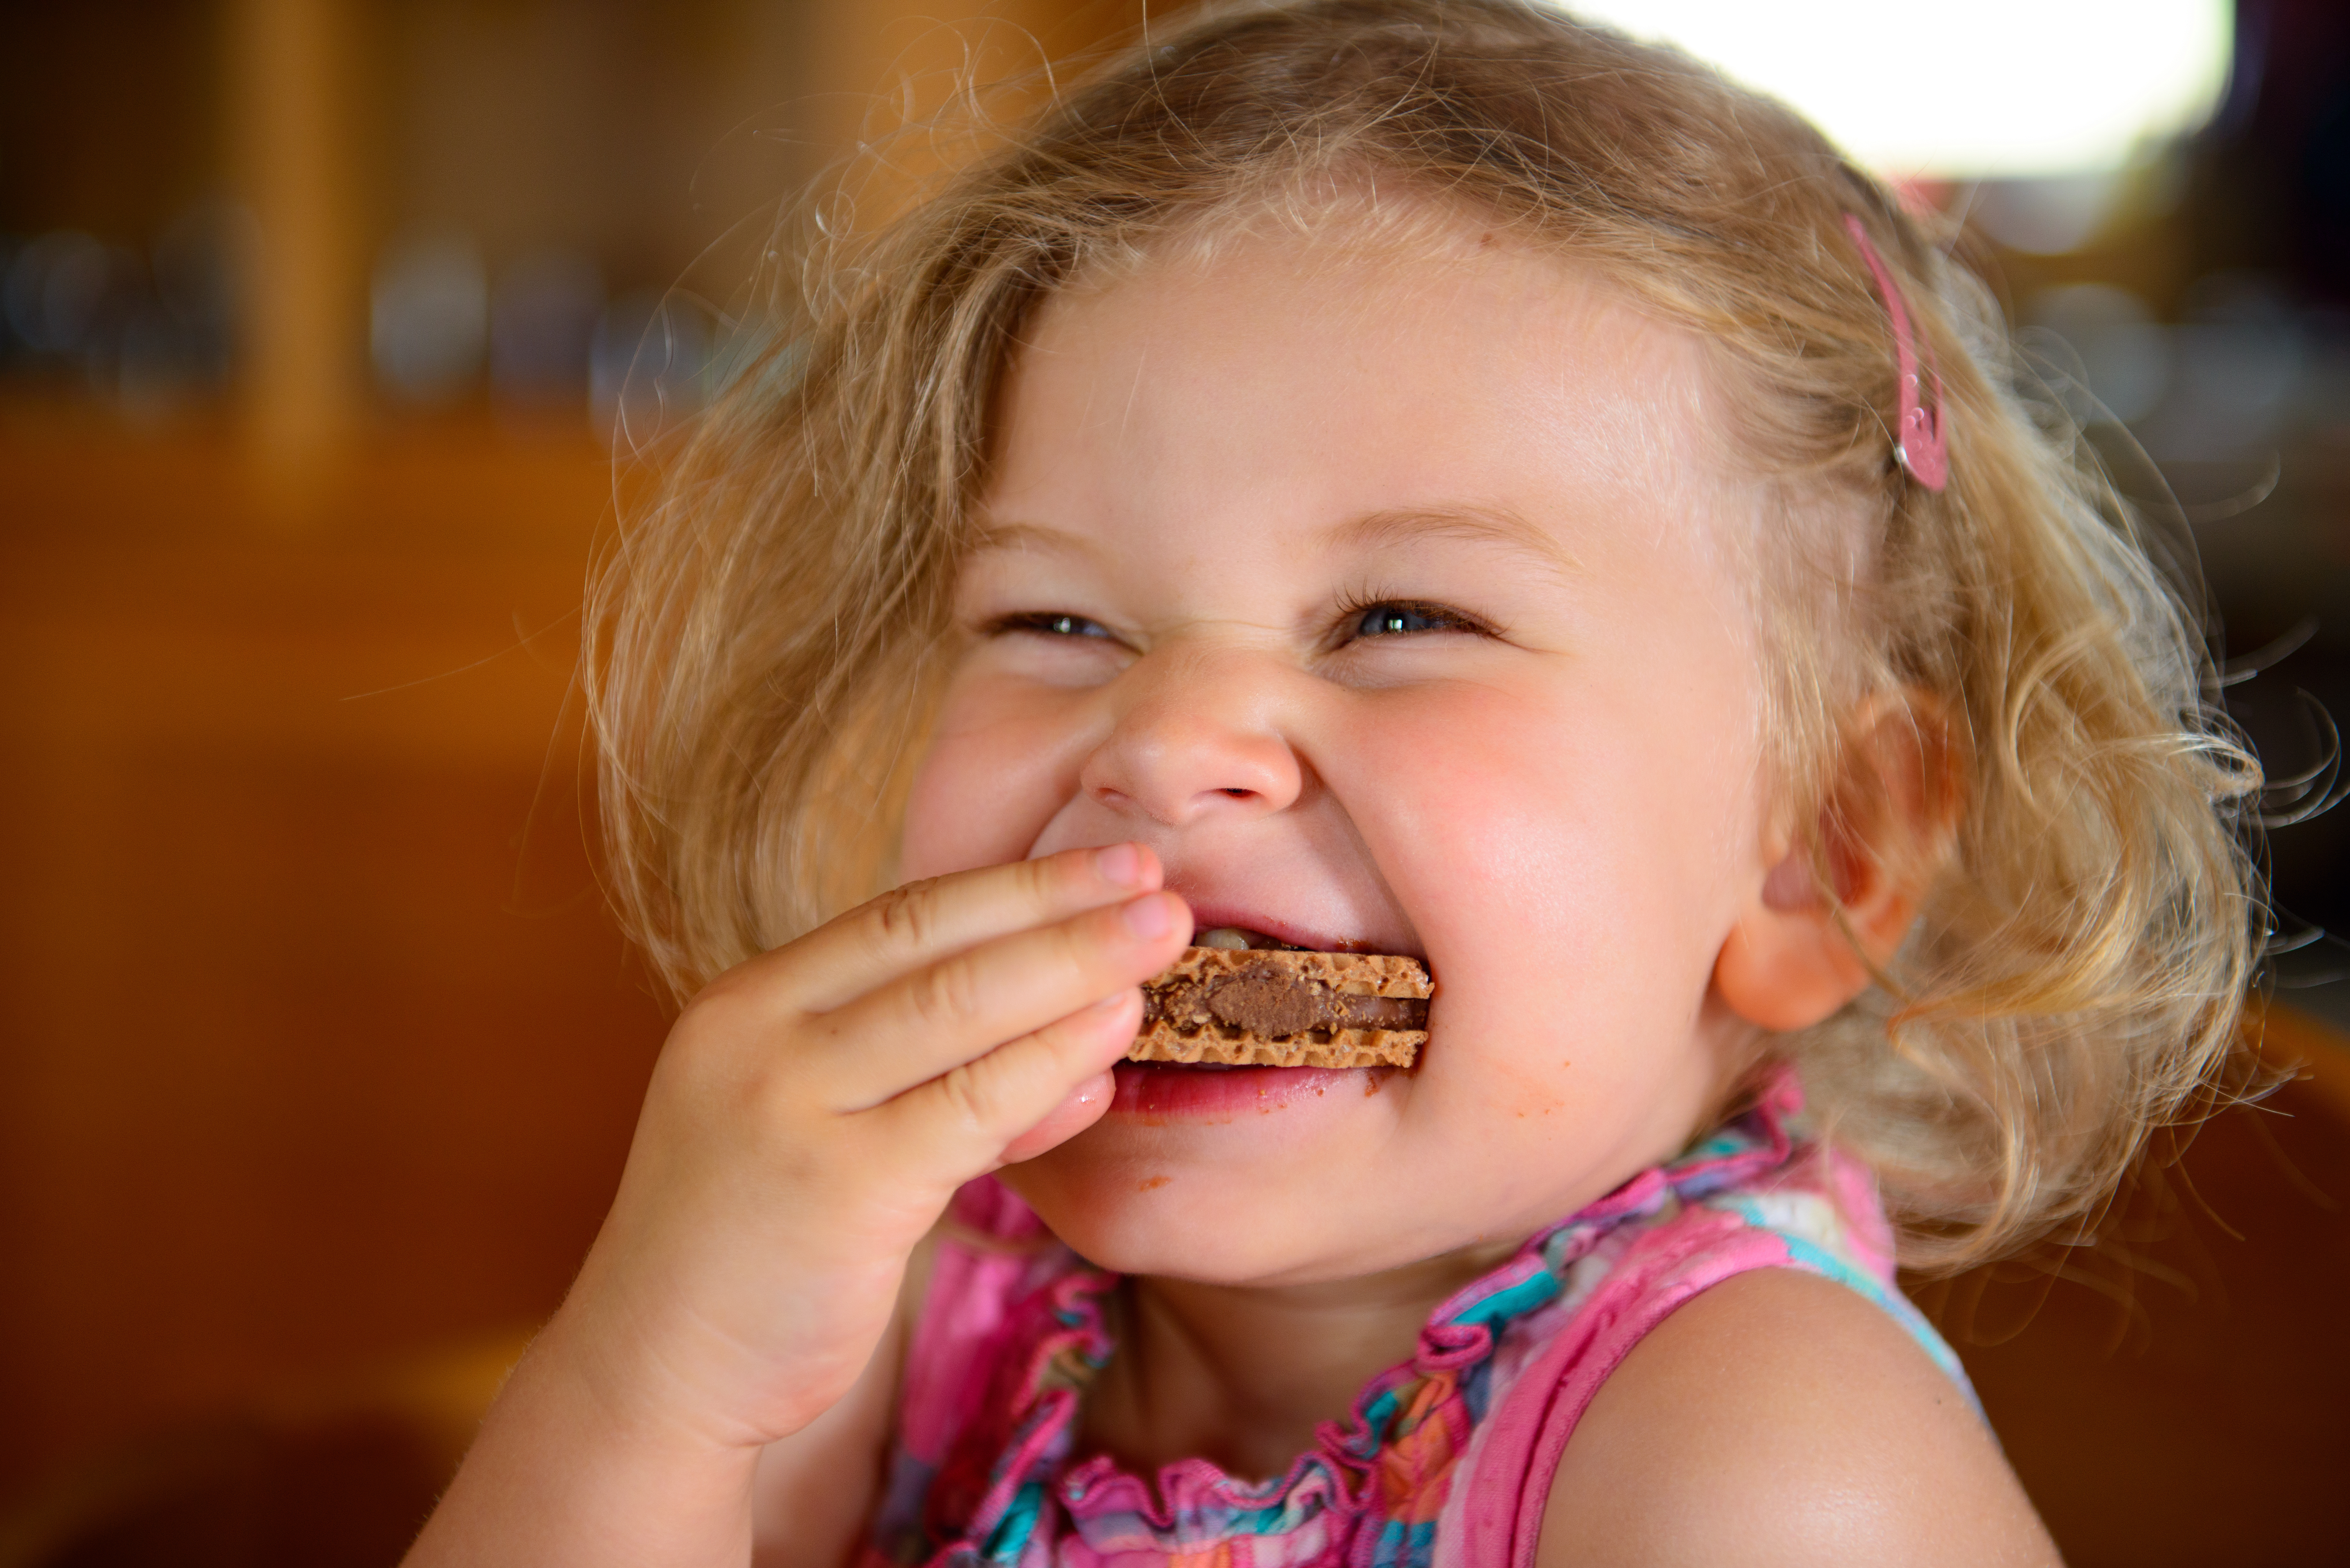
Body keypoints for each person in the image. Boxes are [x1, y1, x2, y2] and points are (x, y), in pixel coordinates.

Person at [404, 3, 2258, 1563]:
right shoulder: (936, 1298)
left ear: (1817, 857)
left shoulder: (1745, 1459)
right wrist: (658, 1369)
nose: (1159, 740)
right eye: (1053, 619)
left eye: (1396, 615)